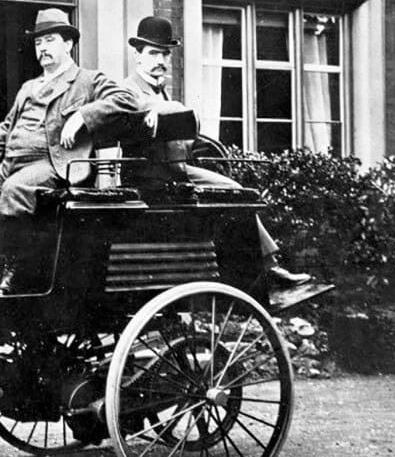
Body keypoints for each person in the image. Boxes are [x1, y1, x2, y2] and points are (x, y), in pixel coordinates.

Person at [0, 8, 134, 295]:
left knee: (15, 190)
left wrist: (83, 116)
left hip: (51, 164)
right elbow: (5, 129)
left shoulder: (87, 80)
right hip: (8, 164)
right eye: (38, 43)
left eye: (50, 40)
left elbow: (126, 100)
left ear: (68, 44)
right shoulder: (28, 87)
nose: (42, 48)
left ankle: (15, 273)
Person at [121, 15, 310, 288]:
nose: (160, 61)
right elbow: (142, 117)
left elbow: (180, 133)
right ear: (138, 56)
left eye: (165, 54)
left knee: (235, 193)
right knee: (232, 193)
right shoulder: (127, 91)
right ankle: (260, 271)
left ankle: (261, 268)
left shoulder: (162, 92)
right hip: (152, 178)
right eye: (152, 53)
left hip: (176, 172)